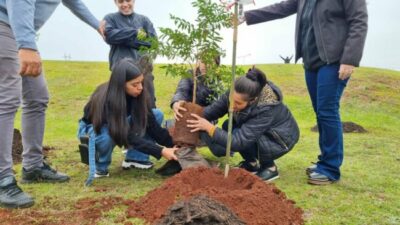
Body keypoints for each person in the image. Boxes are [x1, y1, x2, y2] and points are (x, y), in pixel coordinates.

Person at [242, 0, 368, 185]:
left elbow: (359, 20)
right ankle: (324, 162)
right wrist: (247, 16)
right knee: (321, 113)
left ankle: (330, 168)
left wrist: (350, 58)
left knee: (327, 112)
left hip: (333, 60)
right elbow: (282, 7)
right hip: (312, 62)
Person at [0, 0, 102, 209]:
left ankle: (33, 166)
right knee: (8, 99)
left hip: (19, 31)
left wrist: (97, 24)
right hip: (5, 25)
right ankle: (3, 178)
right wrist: (27, 45)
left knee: (37, 97)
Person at [186, 68, 299, 181]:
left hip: (280, 139)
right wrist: (190, 116)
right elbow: (213, 110)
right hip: (264, 133)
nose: (232, 105)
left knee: (237, 134)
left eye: (238, 103)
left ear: (252, 100)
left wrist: (210, 128)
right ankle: (252, 163)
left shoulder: (266, 109)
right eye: (231, 100)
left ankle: (270, 168)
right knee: (228, 125)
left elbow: (238, 142)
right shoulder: (235, 94)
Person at [78, 58, 178, 179]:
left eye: (141, 82)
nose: (140, 87)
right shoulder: (107, 100)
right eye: (134, 84)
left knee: (156, 114)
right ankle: (100, 166)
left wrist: (175, 145)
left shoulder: (137, 94)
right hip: (94, 129)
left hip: (118, 125)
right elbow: (124, 135)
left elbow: (152, 126)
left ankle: (136, 158)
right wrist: (161, 151)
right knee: (108, 135)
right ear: (121, 85)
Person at [103, 0, 159, 169]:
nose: (125, 4)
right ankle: (127, 145)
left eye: (128, 0)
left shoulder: (144, 20)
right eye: (120, 1)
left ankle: (138, 155)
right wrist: (135, 34)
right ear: (115, 2)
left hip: (144, 73)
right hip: (121, 76)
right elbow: (110, 36)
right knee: (121, 111)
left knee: (148, 110)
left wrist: (125, 38)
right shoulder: (110, 18)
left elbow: (153, 43)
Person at [171, 56, 221, 122]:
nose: (205, 65)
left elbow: (215, 108)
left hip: (206, 119)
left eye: (209, 62)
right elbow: (182, 90)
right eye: (203, 61)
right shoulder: (190, 74)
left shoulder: (217, 82)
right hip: (186, 115)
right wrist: (176, 102)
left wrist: (203, 117)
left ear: (216, 65)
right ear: (199, 62)